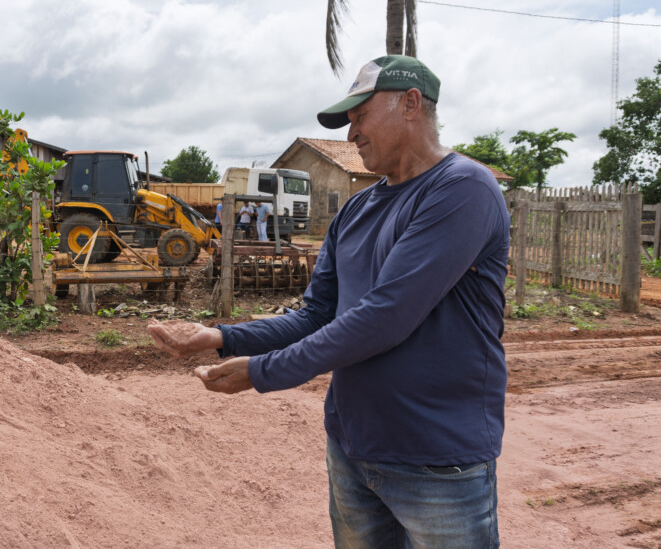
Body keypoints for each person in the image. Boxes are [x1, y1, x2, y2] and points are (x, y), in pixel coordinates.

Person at [149, 55, 510, 548]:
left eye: (360, 116)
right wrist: (221, 336)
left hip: (437, 459)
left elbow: (386, 317)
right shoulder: (358, 209)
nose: (351, 134)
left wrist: (262, 371)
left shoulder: (463, 189)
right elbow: (318, 314)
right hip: (353, 448)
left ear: (410, 104)